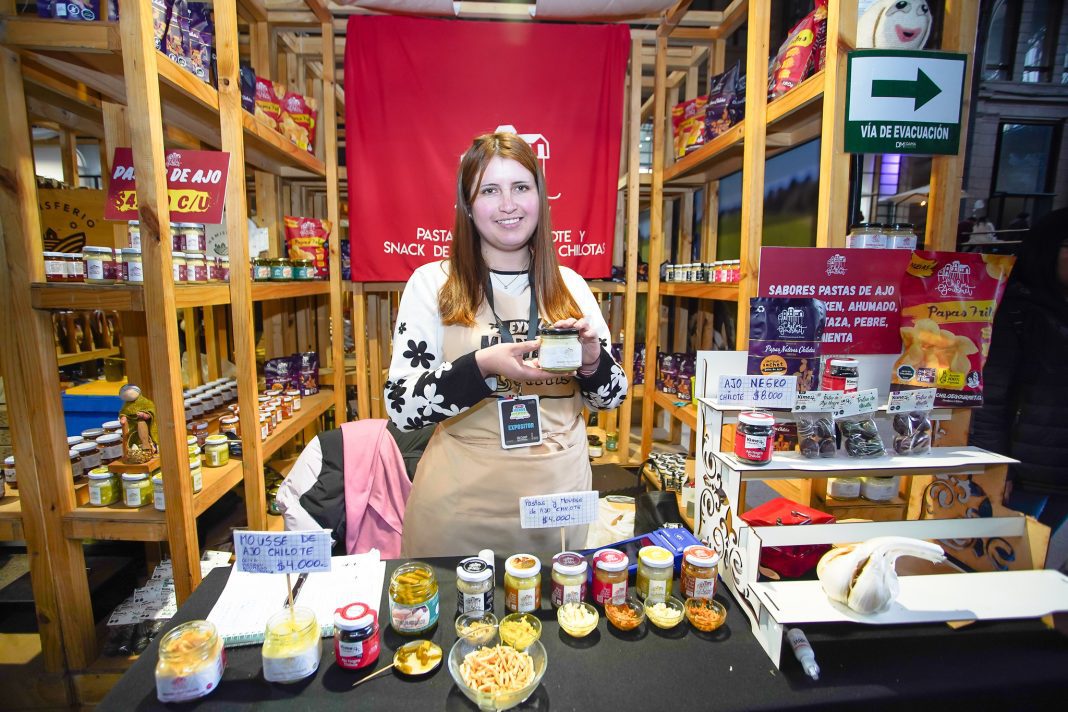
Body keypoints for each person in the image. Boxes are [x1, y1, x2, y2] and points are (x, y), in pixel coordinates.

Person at [384, 131, 628, 557]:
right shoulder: (432, 284)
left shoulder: (571, 286)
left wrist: (592, 364)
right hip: (459, 508)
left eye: (521, 187)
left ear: (540, 197)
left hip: (556, 509)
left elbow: (613, 398)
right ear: (467, 204)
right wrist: (480, 367)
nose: (508, 204)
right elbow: (402, 408)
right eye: (490, 190)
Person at [970, 208, 1068, 540]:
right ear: (1049, 248)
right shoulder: (1017, 312)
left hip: (1054, 472)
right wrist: (995, 468)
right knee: (1021, 561)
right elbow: (991, 395)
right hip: (1026, 476)